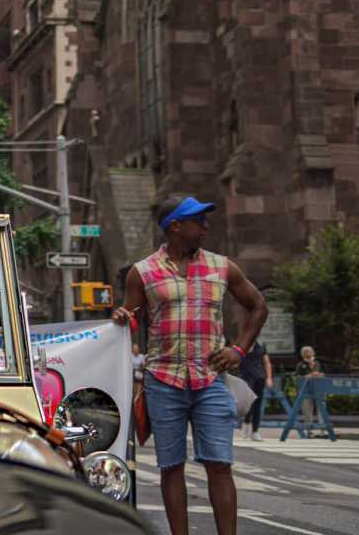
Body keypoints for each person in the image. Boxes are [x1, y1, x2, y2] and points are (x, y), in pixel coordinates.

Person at [111, 195, 268, 535]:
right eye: (198, 221)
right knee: (171, 468)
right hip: (163, 380)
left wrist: (239, 351)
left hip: (210, 380)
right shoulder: (143, 273)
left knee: (219, 465)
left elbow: (258, 306)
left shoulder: (222, 266)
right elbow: (130, 321)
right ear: (175, 227)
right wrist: (121, 317)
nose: (206, 227)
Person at [237, 340, 273, 440]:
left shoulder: (261, 345)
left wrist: (269, 378)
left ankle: (255, 431)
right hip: (246, 376)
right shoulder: (242, 343)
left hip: (259, 377)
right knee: (248, 402)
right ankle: (246, 424)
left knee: (258, 404)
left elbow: (267, 362)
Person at [295, 345, 325, 432]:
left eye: (310, 352)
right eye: (306, 352)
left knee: (322, 410)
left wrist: (320, 375)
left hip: (319, 390)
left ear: (313, 353)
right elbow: (298, 377)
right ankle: (309, 431)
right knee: (307, 411)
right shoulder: (300, 365)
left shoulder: (318, 363)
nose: (308, 354)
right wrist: (308, 376)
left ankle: (323, 430)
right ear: (303, 355)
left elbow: (323, 374)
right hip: (306, 391)